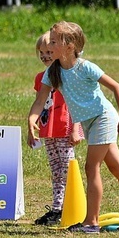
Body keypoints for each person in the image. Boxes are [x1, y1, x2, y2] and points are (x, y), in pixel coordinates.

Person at [27, 21, 119, 234]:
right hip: (89, 121)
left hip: (103, 117)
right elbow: (40, 101)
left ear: (69, 46)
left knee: (91, 167)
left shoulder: (85, 67)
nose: (49, 45)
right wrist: (32, 119)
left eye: (54, 42)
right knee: (116, 168)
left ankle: (90, 222)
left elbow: (117, 88)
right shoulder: (53, 72)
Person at [30, 31, 83, 225]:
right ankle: (57, 209)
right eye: (41, 52)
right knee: (56, 170)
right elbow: (39, 102)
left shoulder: (68, 74)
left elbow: (76, 103)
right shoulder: (40, 77)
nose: (45, 56)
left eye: (49, 52)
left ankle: (73, 207)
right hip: (48, 130)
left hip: (65, 128)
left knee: (68, 170)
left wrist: (76, 128)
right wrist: (32, 126)